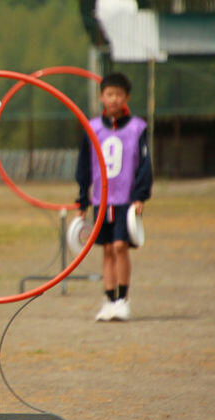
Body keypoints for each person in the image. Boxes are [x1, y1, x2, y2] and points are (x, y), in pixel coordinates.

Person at [75, 72, 153, 322]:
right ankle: (109, 301)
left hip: (125, 200)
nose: (114, 99)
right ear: (102, 97)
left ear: (127, 97)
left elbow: (145, 164)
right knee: (107, 249)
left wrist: (140, 196)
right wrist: (83, 199)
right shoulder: (93, 128)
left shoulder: (137, 128)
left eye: (119, 94)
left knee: (120, 246)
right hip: (101, 200)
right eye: (109, 94)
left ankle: (123, 300)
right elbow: (84, 166)